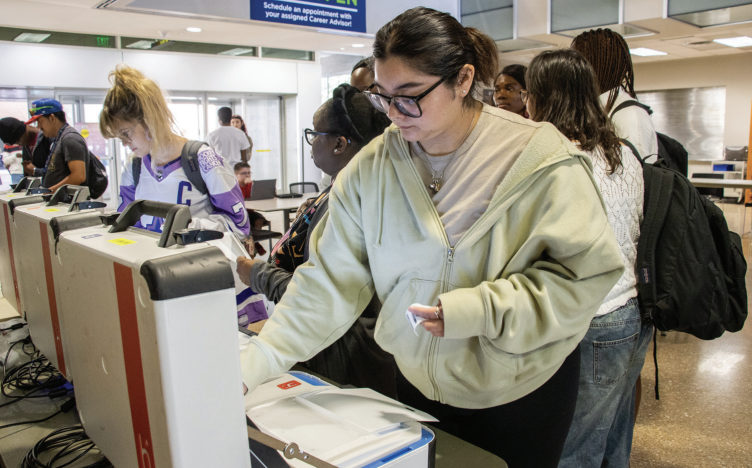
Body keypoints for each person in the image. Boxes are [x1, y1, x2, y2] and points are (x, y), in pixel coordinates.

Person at [238, 7, 624, 466]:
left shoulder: (541, 159)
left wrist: (477, 310)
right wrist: (255, 364)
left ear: (463, 79)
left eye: (410, 96)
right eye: (383, 96)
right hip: (415, 385)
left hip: (519, 390)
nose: (395, 114)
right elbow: (327, 284)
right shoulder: (373, 167)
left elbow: (582, 278)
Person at [525, 48, 653, 468]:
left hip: (591, 318)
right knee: (613, 439)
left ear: (543, 98)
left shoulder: (556, 158)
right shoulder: (622, 151)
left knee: (574, 448)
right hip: (631, 312)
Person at [236, 83, 396, 397]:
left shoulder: (359, 206)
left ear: (339, 144)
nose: (311, 143)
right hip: (327, 350)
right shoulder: (341, 191)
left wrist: (256, 274)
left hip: (345, 362)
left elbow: (317, 293)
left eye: (315, 134)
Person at [99, 66, 267, 324]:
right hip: (158, 284)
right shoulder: (133, 167)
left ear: (149, 119)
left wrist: (190, 228)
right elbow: (126, 223)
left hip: (209, 284)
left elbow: (239, 225)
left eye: (126, 133)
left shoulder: (203, 158)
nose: (123, 143)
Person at [572, 28, 658, 162]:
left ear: (591, 65)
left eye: (573, 62)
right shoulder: (594, 110)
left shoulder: (629, 116)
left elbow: (636, 175)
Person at [26, 99, 87, 191]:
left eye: (40, 121)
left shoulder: (70, 138)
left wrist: (49, 191)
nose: (39, 127)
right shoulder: (59, 138)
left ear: (52, 118)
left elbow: (79, 176)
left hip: (66, 203)